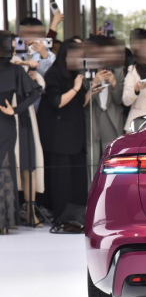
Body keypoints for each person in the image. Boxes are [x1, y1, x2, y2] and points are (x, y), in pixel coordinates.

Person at [38, 38, 104, 220]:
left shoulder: (75, 74)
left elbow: (79, 103)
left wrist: (91, 90)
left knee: (77, 176)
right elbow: (57, 102)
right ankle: (63, 217)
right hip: (59, 136)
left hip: (75, 134)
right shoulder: (53, 74)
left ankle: (79, 217)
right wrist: (76, 88)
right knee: (62, 179)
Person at [0, 33, 43, 235]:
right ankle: (6, 222)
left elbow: (36, 92)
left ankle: (6, 221)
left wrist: (15, 110)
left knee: (5, 168)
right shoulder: (15, 70)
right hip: (7, 122)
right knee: (5, 169)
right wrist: (15, 111)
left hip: (6, 123)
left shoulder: (16, 69)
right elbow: (35, 92)